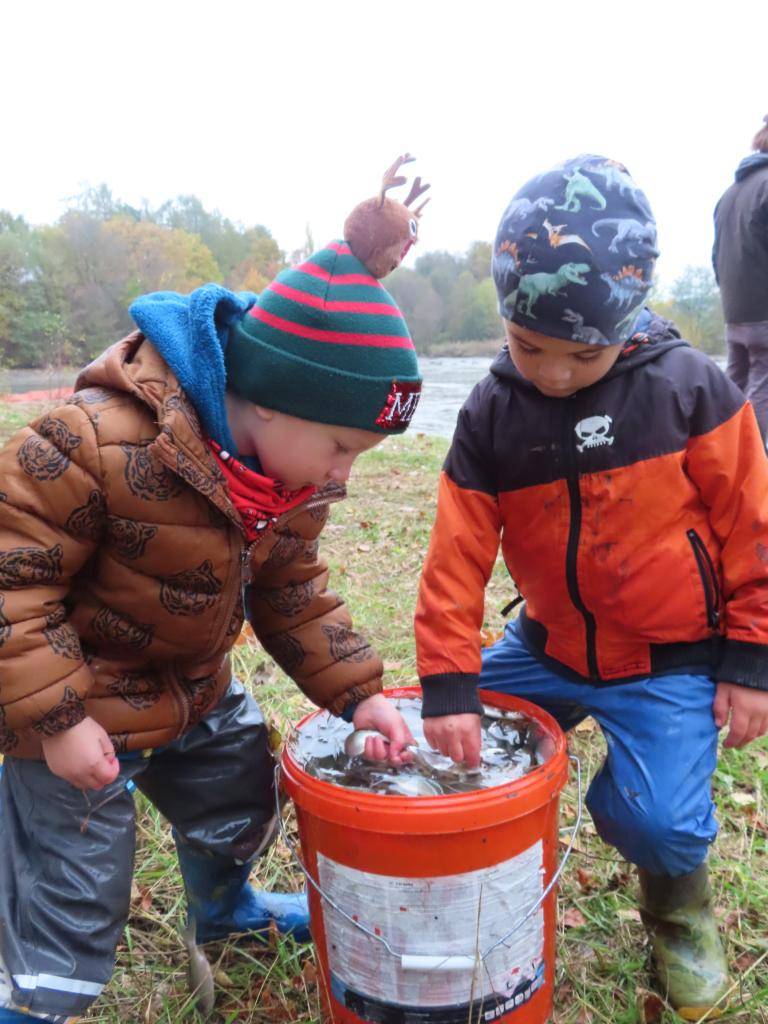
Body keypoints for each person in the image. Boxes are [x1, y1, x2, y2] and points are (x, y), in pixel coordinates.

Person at [0, 159, 428, 1023]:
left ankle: (225, 910)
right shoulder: (96, 441)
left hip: (193, 691)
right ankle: (32, 1000)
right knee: (73, 894)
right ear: (272, 402)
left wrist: (362, 697)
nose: (346, 471)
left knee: (241, 796)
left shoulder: (290, 486)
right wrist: (56, 720)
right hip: (74, 711)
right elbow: (11, 580)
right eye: (342, 445)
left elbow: (294, 594)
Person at [414, 154, 768, 1021]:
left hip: (670, 663)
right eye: (529, 347)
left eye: (584, 353)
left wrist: (752, 658)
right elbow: (457, 556)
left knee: (658, 822)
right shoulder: (492, 412)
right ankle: (468, 889)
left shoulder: (692, 390)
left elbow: (756, 531)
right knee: (441, 747)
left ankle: (678, 915)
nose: (554, 374)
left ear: (631, 316)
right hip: (549, 650)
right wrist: (450, 683)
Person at [713, 113, 768, 444]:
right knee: (764, 387)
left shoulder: (731, 193)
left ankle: (717, 449)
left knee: (733, 386)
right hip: (764, 310)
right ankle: (752, 459)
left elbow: (715, 255)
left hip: (735, 312)